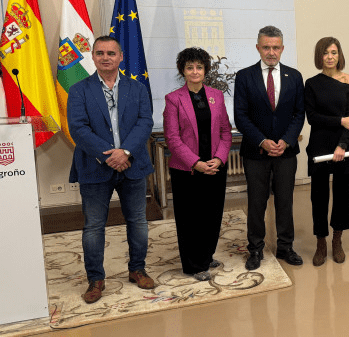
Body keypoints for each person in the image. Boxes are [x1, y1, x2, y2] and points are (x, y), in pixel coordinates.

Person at [67, 35, 155, 304]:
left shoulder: (137, 88)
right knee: (94, 226)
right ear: (92, 57)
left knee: (137, 221)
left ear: (121, 57)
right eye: (100, 53)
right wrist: (110, 157)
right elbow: (78, 129)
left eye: (111, 53)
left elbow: (145, 122)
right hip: (95, 168)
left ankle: (137, 269)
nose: (106, 57)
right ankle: (95, 279)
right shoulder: (79, 90)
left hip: (133, 164)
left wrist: (125, 152)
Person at [234, 26, 305, 268]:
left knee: (285, 201)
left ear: (283, 49)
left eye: (276, 47)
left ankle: (285, 247)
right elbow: (241, 116)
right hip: (255, 152)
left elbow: (298, 114)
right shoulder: (244, 76)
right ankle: (255, 249)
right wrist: (262, 141)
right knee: (257, 202)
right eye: (266, 47)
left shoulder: (294, 77)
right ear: (258, 48)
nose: (271, 52)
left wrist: (286, 141)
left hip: (286, 152)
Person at [163, 47, 232, 281]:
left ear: (205, 70)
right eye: (190, 67)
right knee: (190, 219)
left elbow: (225, 131)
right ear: (183, 70)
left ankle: (206, 254)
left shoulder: (217, 95)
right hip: (187, 170)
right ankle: (194, 265)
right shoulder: (174, 99)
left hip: (215, 166)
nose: (195, 71)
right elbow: (172, 138)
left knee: (212, 214)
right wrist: (196, 163)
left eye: (199, 67)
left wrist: (220, 159)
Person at [304, 37, 349, 266]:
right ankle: (321, 242)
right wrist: (339, 121)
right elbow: (312, 117)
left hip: (344, 146)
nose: (330, 57)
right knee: (319, 196)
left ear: (339, 55)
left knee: (343, 195)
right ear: (319, 56)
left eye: (334, 52)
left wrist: (342, 146)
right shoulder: (311, 83)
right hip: (319, 145)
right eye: (325, 52)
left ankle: (337, 240)